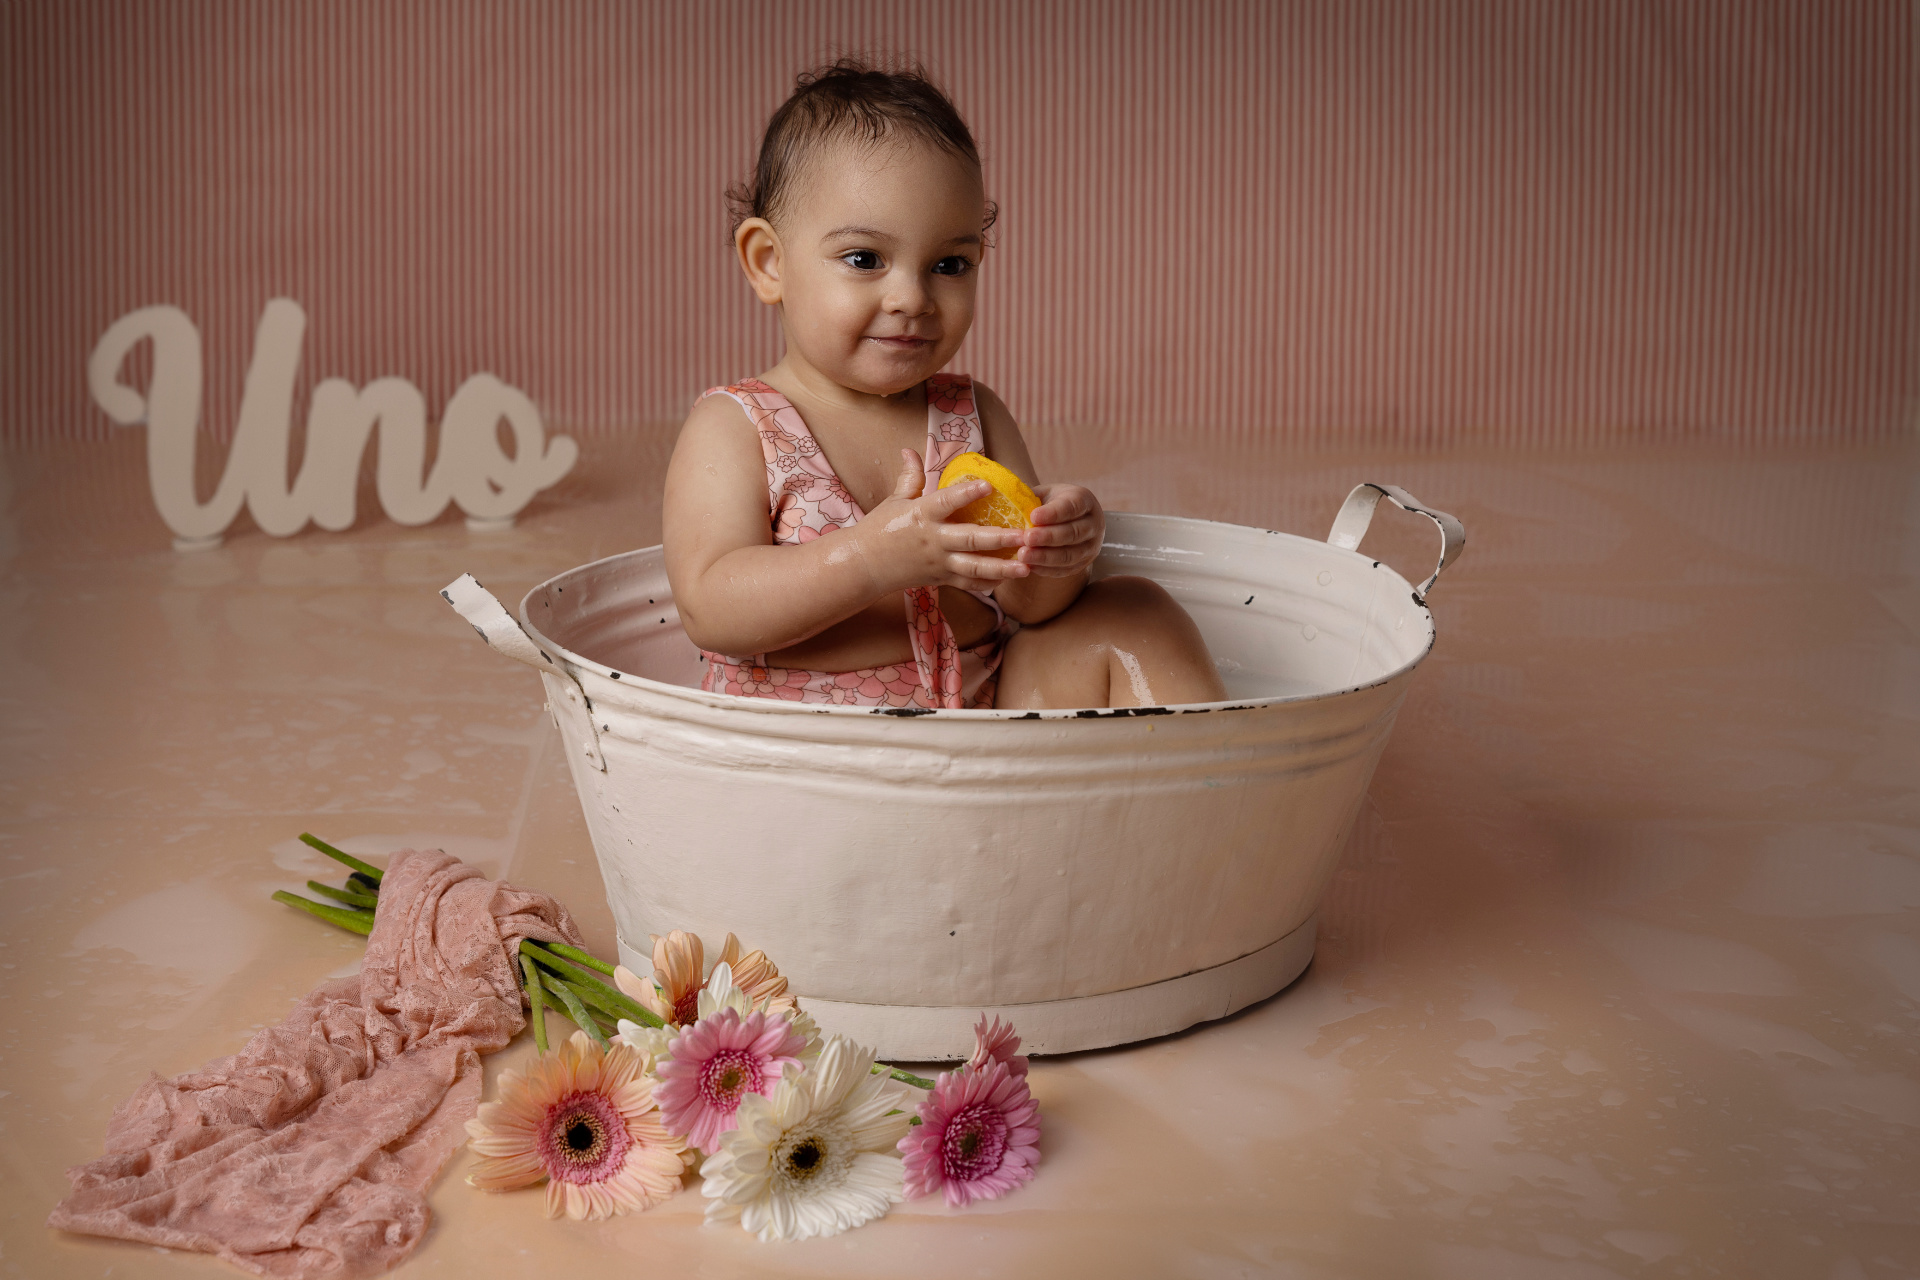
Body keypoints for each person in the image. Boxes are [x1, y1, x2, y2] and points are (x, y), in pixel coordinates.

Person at [663, 59, 1226, 711]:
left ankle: (1215, 794)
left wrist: (1058, 552)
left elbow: (1032, 605)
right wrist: (872, 559)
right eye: (865, 259)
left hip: (987, 735)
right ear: (769, 264)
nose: (912, 297)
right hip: (811, 754)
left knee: (1134, 608)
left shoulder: (971, 412)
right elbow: (712, 606)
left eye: (949, 264)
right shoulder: (736, 426)